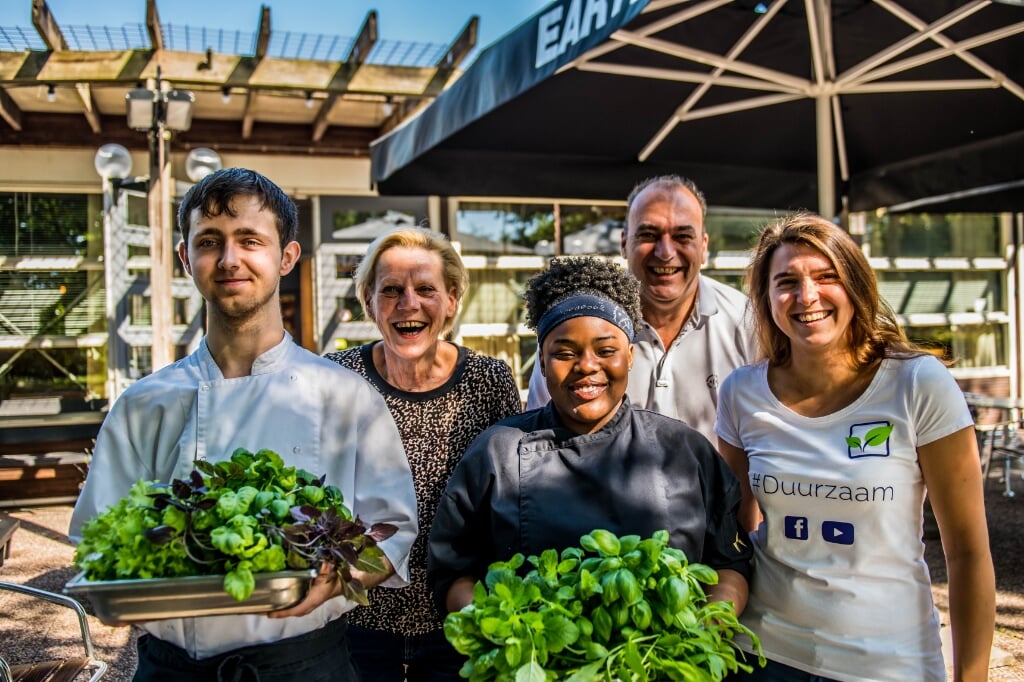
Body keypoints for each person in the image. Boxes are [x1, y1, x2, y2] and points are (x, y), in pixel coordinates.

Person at [69, 168, 419, 682]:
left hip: (305, 665)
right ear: (187, 259)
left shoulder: (344, 395)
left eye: (250, 240)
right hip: (171, 671)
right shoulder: (144, 403)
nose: (230, 259)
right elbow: (98, 545)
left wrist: (338, 578)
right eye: (210, 241)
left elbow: (393, 532)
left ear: (286, 258)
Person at [715, 213, 995, 681]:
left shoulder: (917, 384)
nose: (807, 297)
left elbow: (968, 553)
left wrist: (972, 677)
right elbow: (734, 534)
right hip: (763, 655)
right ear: (766, 298)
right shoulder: (741, 393)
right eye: (786, 281)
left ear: (857, 286)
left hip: (887, 662)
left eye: (827, 277)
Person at [429, 255, 751, 616]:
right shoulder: (497, 452)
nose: (586, 366)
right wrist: (503, 636)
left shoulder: (684, 450)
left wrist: (702, 631)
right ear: (542, 361)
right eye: (564, 353)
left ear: (630, 356)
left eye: (606, 351)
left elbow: (730, 564)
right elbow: (454, 572)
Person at [324, 227, 521, 681]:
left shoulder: (488, 381)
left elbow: (511, 498)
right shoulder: (337, 377)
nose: (407, 303)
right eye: (391, 290)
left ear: (451, 300)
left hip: (460, 615)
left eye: (425, 289)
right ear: (369, 303)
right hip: (357, 616)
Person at [527, 175, 756, 443]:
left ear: (704, 247)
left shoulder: (748, 322)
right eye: (649, 235)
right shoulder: (578, 324)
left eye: (683, 236)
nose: (665, 252)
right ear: (624, 243)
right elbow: (542, 434)